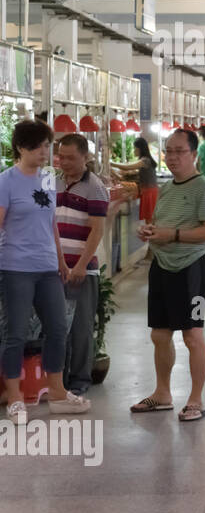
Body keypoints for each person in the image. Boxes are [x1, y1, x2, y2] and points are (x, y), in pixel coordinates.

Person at [0, 120, 92, 424]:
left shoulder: (49, 179)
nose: (45, 152)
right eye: (40, 146)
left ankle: (56, 391)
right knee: (15, 333)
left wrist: (62, 262)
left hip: (48, 267)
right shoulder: (6, 181)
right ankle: (14, 397)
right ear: (22, 147)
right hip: (16, 267)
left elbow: (51, 222)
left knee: (56, 328)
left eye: (46, 145)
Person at [130, 129, 205, 421]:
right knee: (159, 334)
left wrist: (174, 235)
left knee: (192, 335)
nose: (171, 157)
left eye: (178, 151)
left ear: (194, 154)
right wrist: (150, 230)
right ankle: (162, 393)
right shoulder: (167, 188)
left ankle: (196, 399)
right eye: (168, 151)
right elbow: (159, 222)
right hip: (161, 265)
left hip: (190, 268)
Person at [55, 134, 110, 397]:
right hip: (55, 267)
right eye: (61, 156)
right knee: (56, 326)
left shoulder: (95, 187)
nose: (64, 162)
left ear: (85, 157)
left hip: (82, 270)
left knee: (80, 326)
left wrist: (80, 265)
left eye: (70, 158)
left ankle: (79, 378)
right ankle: (58, 378)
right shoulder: (51, 181)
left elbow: (97, 231)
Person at [112, 138, 158, 222]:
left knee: (150, 218)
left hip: (149, 191)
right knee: (149, 218)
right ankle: (150, 233)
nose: (134, 150)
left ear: (139, 148)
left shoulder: (145, 160)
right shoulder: (145, 160)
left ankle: (151, 233)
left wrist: (111, 163)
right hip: (148, 191)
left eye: (135, 148)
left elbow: (127, 167)